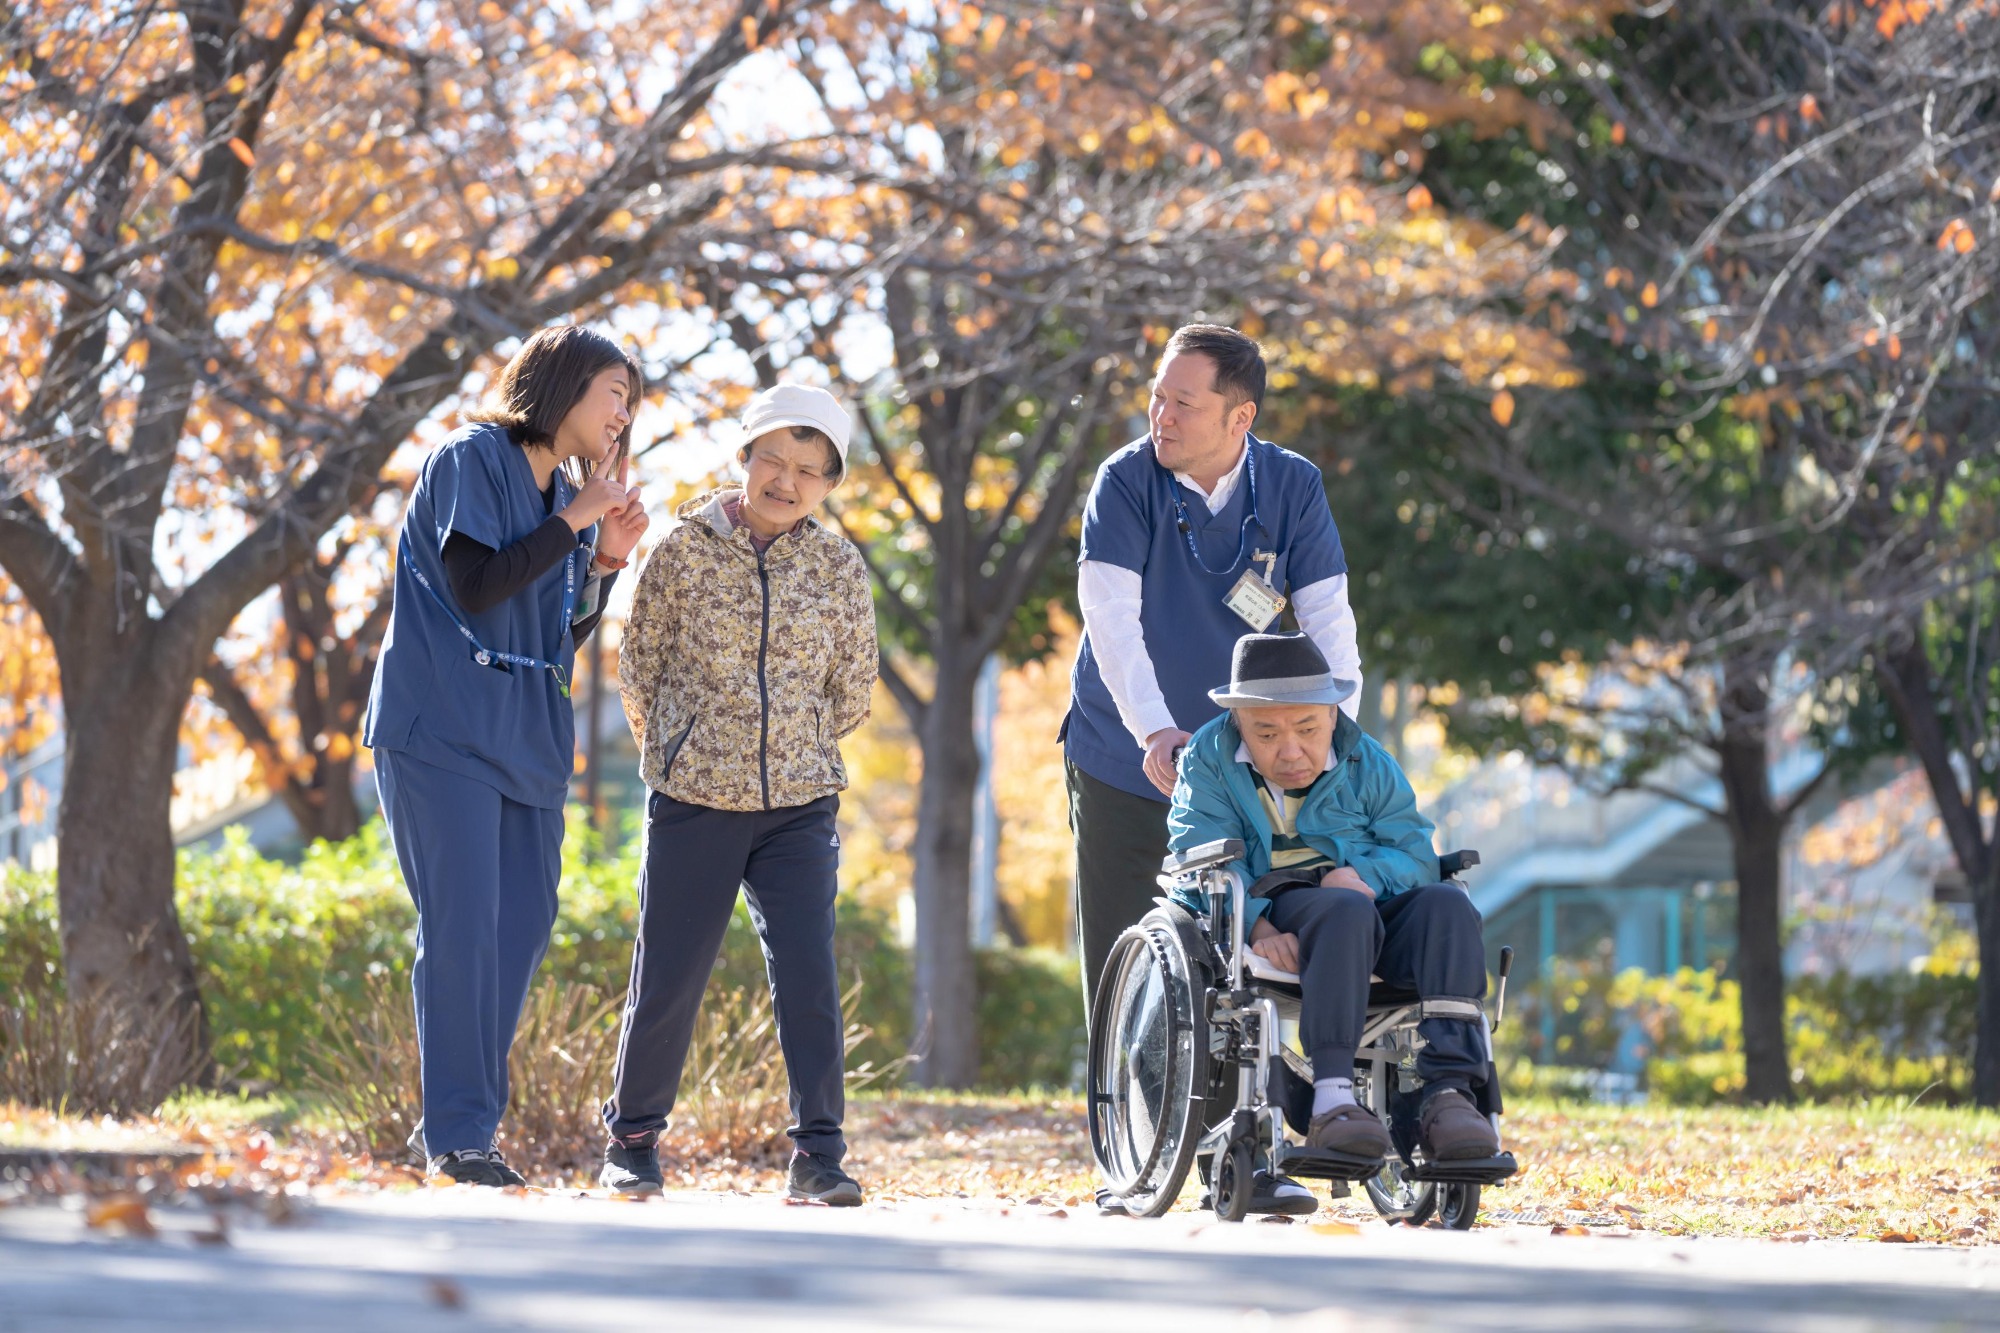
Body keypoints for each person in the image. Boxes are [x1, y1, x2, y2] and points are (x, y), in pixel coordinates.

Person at [363, 325, 650, 1186]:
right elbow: (476, 584)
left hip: (525, 742)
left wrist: (603, 560)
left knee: (519, 929)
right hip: (441, 729)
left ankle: (463, 1127)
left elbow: (555, 628)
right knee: (461, 932)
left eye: (630, 401)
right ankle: (460, 1135)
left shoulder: (566, 492)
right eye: (614, 392)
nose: (623, 414)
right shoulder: (472, 456)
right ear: (562, 386)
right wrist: (577, 522)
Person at [598, 383, 879, 1206]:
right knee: (671, 975)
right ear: (744, 457)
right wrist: (683, 747)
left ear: (829, 483)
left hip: (799, 802)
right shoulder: (682, 550)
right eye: (774, 461)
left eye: (809, 471)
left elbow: (852, 685)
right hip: (694, 797)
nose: (787, 482)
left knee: (808, 973)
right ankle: (633, 1144)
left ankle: (820, 1154)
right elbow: (638, 662)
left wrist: (798, 739)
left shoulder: (836, 566)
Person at [1065, 324, 1362, 1021]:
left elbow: (1330, 621)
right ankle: (1119, 1125)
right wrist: (1154, 730)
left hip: (1241, 765)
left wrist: (1336, 740)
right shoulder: (1125, 481)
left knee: (1234, 957)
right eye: (1158, 397)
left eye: (1184, 403)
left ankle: (1223, 1126)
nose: (1162, 415)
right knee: (1121, 964)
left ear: (1241, 417)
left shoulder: (1292, 485)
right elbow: (1110, 621)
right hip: (1125, 754)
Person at [1166, 630, 1500, 1213]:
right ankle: (1332, 1101)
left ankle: (1451, 1097)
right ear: (1240, 722)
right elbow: (1199, 854)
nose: (1290, 751)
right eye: (1267, 733)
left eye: (1307, 730)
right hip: (1281, 908)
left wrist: (1366, 875)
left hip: (1364, 906)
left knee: (1449, 905)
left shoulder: (1366, 759)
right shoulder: (1209, 758)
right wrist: (1257, 926)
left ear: (1331, 713)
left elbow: (1416, 853)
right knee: (1342, 909)